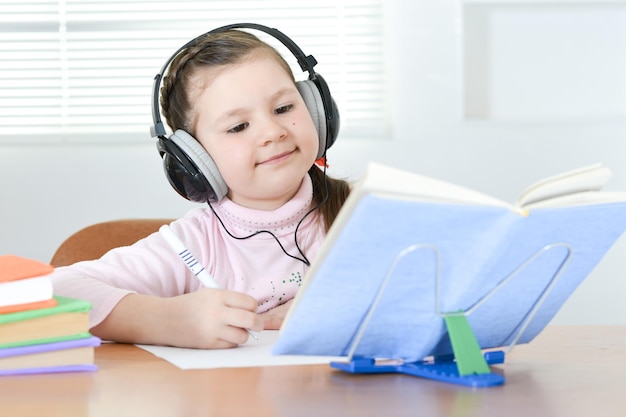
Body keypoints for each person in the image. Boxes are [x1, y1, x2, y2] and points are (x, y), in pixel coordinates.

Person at [50, 25, 351, 349]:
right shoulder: (194, 245)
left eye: (283, 108)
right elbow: (56, 290)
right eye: (238, 126)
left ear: (317, 109)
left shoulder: (360, 215)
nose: (272, 131)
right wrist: (166, 320)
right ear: (194, 159)